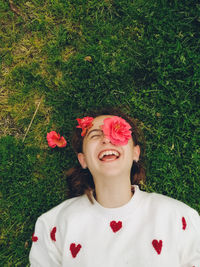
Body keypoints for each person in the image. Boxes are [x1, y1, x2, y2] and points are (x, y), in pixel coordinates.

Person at [29, 107, 200, 267]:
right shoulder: (53, 224)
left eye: (117, 132)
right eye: (95, 135)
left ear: (135, 152)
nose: (107, 139)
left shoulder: (180, 218)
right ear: (83, 160)